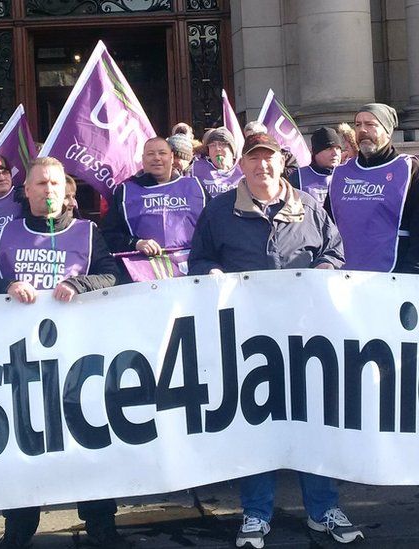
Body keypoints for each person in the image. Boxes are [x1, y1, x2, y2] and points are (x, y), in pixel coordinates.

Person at [188, 132, 357, 546]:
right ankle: (256, 513)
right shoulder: (219, 211)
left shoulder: (310, 206)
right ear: (241, 166)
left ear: (282, 163)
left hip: (306, 338)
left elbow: (334, 252)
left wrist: (327, 269)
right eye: (253, 159)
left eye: (269, 159)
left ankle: (323, 510)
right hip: (248, 340)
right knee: (255, 425)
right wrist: (210, 273)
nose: (262, 166)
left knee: (313, 423)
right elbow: (200, 258)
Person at [0, 157, 124, 549]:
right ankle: (20, 525)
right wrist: (7, 286)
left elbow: (114, 275)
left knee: (88, 438)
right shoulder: (7, 233)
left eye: (55, 183)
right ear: (27, 191)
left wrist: (81, 283)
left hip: (79, 360)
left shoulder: (89, 232)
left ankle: (101, 522)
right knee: (24, 443)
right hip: (22, 363)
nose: (49, 190)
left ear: (66, 190)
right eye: (41, 184)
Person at [326, 103, 419, 273]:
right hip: (344, 278)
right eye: (358, 124)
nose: (362, 130)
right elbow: (326, 227)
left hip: (395, 278)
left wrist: (417, 278)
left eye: (371, 124)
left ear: (388, 132)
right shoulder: (340, 174)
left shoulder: (412, 171)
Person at [101, 137, 207, 281]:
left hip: (194, 270)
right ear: (143, 159)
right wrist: (135, 243)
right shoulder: (125, 191)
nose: (156, 158)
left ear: (171, 158)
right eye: (151, 154)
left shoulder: (196, 187)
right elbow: (108, 235)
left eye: (162, 153)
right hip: (144, 276)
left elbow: (215, 229)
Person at [287, 127, 341, 206]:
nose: (335, 153)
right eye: (329, 148)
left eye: (338, 148)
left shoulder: (346, 175)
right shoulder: (298, 177)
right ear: (315, 152)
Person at [190, 127, 243, 197]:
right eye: (212, 145)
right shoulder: (196, 169)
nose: (217, 148)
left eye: (222, 144)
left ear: (231, 149)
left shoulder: (244, 168)